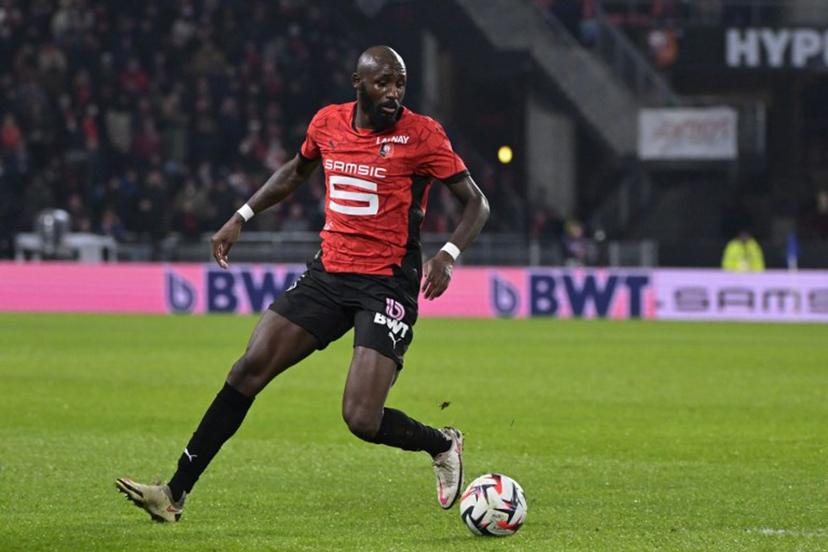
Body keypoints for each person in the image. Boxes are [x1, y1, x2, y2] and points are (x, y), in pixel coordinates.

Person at [115, 46, 490, 522]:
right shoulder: (328, 124)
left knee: (360, 418)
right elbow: (296, 171)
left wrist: (449, 254)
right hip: (328, 275)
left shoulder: (422, 135)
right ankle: (172, 494)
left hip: (386, 285)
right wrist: (241, 216)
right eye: (383, 83)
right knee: (247, 370)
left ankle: (442, 443)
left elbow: (476, 204)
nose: (394, 93)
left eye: (400, 83)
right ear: (358, 82)